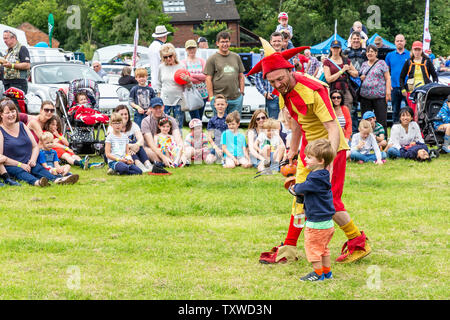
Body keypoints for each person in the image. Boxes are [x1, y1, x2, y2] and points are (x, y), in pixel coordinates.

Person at [247, 41, 371, 264]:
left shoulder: (312, 90)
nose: (277, 84)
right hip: (308, 150)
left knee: (329, 201)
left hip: (329, 149)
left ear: (289, 69)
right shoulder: (284, 90)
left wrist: (328, 161)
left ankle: (358, 242)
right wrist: (293, 150)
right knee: (300, 195)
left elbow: (333, 127)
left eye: (279, 79)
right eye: (272, 81)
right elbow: (296, 121)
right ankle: (289, 248)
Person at [289, 139, 336, 281]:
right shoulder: (323, 175)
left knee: (313, 249)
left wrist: (294, 188)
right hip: (327, 223)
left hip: (316, 223)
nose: (305, 159)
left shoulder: (315, 178)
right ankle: (327, 273)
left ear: (321, 160)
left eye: (309, 157)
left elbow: (302, 187)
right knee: (323, 249)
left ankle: (318, 274)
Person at [0, 99, 74, 187]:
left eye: (13, 111)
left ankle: (58, 179)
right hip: (12, 165)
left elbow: (35, 146)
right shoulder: (1, 131)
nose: (11, 115)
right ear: (1, 114)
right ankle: (38, 182)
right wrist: (20, 164)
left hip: (28, 161)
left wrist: (33, 160)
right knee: (20, 172)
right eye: (7, 113)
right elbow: (1, 157)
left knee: (38, 168)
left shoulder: (22, 125)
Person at [108, 105, 165, 174]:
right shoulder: (112, 127)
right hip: (118, 153)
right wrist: (131, 146)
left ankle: (147, 163)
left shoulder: (133, 125)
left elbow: (141, 139)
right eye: (121, 114)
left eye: (126, 114)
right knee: (131, 143)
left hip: (131, 152)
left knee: (137, 143)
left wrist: (136, 145)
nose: (124, 116)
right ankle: (139, 164)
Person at [205, 31, 245, 116]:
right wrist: (212, 97)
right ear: (217, 43)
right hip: (219, 100)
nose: (225, 44)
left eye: (227, 41)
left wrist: (241, 92)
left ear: (230, 42)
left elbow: (241, 76)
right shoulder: (212, 59)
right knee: (220, 125)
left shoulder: (236, 57)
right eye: (222, 42)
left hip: (235, 99)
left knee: (234, 124)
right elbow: (208, 79)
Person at [141, 97, 184, 168]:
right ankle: (168, 161)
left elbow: (178, 139)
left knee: (187, 149)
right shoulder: (145, 121)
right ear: (151, 109)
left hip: (169, 148)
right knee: (146, 150)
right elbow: (151, 144)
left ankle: (173, 161)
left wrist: (182, 152)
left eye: (160, 107)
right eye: (155, 108)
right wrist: (163, 157)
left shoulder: (171, 119)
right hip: (153, 149)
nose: (158, 110)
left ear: (163, 107)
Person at [155, 43, 190, 131]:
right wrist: (159, 100)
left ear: (174, 55)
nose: (168, 59)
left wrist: (187, 80)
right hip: (164, 100)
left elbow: (188, 85)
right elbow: (158, 83)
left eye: (170, 56)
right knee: (163, 125)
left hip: (178, 100)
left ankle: (178, 143)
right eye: (165, 57)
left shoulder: (181, 66)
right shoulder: (161, 67)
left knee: (178, 126)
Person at [359, 44, 391, 135]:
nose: (369, 53)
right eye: (368, 52)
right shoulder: (364, 64)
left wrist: (388, 92)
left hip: (379, 96)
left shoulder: (382, 63)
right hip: (365, 96)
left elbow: (388, 78)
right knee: (365, 120)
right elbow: (359, 76)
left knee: (381, 119)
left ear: (376, 53)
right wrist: (361, 77)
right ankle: (366, 137)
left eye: (372, 51)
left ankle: (383, 139)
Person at [400, 41, 438, 116]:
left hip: (425, 91)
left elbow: (435, 76)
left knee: (424, 113)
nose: (417, 52)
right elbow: (401, 77)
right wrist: (403, 89)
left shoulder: (427, 61)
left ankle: (423, 127)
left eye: (419, 50)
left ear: (421, 50)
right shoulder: (409, 62)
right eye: (415, 50)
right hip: (411, 91)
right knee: (412, 113)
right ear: (412, 50)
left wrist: (434, 86)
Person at [323, 40, 359, 114]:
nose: (336, 50)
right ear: (331, 49)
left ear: (340, 49)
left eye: (337, 48)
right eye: (334, 48)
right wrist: (341, 71)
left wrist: (348, 70)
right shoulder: (327, 62)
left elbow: (356, 73)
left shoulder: (346, 60)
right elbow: (328, 79)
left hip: (345, 89)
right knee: (334, 112)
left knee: (347, 112)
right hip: (333, 90)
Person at [255, 32, 284, 119]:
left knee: (287, 124)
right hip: (272, 97)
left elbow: (293, 75)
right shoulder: (264, 58)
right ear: (270, 42)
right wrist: (264, 93)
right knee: (273, 123)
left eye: (279, 41)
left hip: (286, 96)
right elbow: (257, 77)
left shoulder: (287, 57)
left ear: (283, 42)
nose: (277, 43)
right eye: (274, 41)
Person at [385, 34, 410, 123]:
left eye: (401, 41)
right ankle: (395, 128)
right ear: (395, 42)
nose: (399, 42)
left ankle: (409, 129)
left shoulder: (410, 55)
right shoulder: (389, 55)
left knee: (409, 110)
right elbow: (386, 71)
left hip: (407, 87)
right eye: (398, 41)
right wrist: (388, 85)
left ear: (405, 42)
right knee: (395, 110)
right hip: (394, 86)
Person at [181, 39, 208, 121]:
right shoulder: (183, 63)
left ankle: (199, 133)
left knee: (200, 117)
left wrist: (191, 75)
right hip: (191, 93)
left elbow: (205, 76)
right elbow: (185, 78)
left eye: (193, 48)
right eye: (189, 48)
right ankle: (195, 132)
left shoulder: (202, 61)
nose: (191, 50)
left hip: (203, 93)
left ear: (196, 48)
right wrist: (199, 77)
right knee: (195, 118)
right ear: (186, 50)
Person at [206, 94, 228, 164]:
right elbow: (209, 138)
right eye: (218, 104)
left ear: (226, 105)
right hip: (217, 145)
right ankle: (217, 156)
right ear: (214, 105)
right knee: (208, 161)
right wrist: (216, 148)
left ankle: (223, 157)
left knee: (227, 160)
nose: (220, 106)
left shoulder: (229, 119)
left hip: (227, 145)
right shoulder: (212, 120)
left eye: (222, 104)